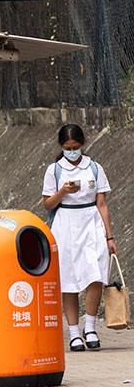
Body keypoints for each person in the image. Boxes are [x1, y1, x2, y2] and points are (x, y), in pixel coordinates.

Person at [42, 123, 118, 352]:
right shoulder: (54, 170)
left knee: (95, 274)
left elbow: (102, 204)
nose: (72, 151)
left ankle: (91, 326)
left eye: (75, 147)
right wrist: (63, 191)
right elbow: (47, 204)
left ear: (82, 145)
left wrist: (109, 236)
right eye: (67, 147)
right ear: (61, 147)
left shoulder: (94, 168)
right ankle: (74, 332)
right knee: (69, 278)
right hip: (66, 224)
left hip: (91, 222)